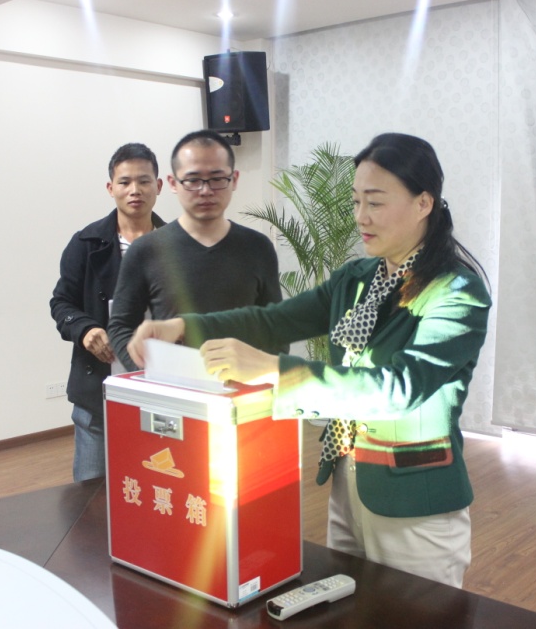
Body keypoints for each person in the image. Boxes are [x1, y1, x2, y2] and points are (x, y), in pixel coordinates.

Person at [126, 133, 491, 588]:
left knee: (417, 614)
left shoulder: (455, 292)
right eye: (356, 201)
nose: (360, 217)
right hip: (349, 483)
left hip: (415, 501)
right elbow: (274, 320)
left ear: (423, 203)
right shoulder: (357, 278)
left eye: (375, 202)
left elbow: (398, 389)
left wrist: (271, 370)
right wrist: (183, 326)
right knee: (351, 609)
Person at [107, 130, 284, 368]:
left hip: (242, 384)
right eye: (193, 180)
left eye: (217, 178)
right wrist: (146, 371)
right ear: (173, 183)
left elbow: (275, 326)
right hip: (171, 384)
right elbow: (120, 326)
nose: (205, 190)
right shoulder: (146, 250)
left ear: (234, 179)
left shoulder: (258, 247)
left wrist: (263, 374)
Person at [50, 142, 165, 482]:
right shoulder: (86, 244)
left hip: (162, 385)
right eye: (125, 181)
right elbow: (61, 302)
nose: (134, 190)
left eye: (144, 181)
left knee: (159, 485)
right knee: (92, 491)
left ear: (159, 186)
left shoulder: (178, 245)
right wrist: (85, 329)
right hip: (98, 385)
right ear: (110, 188)